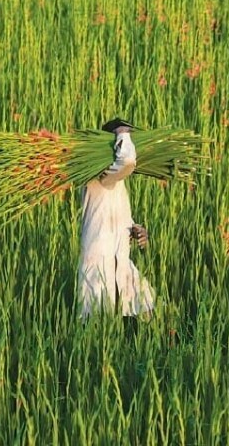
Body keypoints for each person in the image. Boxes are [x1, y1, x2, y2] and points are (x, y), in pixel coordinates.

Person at [77, 117, 155, 326]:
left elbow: (122, 218)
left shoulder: (116, 182)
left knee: (144, 306)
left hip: (119, 257)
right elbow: (127, 162)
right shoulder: (99, 174)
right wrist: (122, 133)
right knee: (99, 318)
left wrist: (137, 230)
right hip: (102, 260)